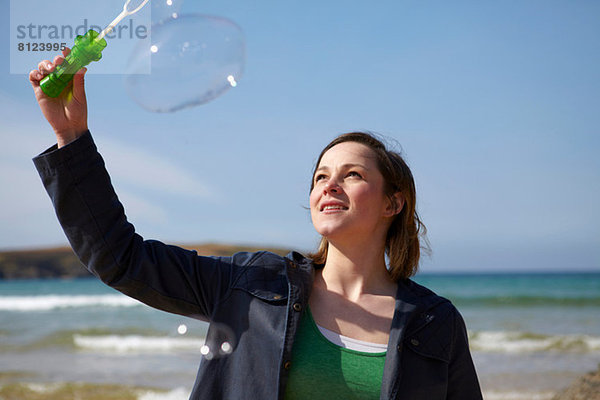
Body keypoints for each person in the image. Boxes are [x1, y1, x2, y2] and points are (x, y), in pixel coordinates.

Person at [30, 49, 483, 400]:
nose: (330, 186)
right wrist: (71, 138)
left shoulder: (434, 323)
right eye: (321, 177)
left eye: (353, 175)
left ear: (393, 203)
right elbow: (120, 258)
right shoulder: (251, 285)